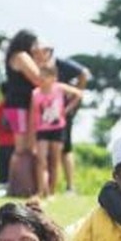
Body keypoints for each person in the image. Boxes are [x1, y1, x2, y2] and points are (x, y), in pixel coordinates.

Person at [38, 43, 90, 194]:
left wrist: (71, 105)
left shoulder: (61, 64)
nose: (36, 53)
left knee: (65, 149)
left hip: (61, 114)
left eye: (40, 50)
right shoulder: (37, 65)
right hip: (43, 117)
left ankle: (70, 186)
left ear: (49, 51)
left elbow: (84, 73)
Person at [30, 63, 82, 197]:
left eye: (45, 76)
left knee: (54, 161)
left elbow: (79, 94)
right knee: (41, 161)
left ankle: (51, 192)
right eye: (40, 75)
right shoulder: (35, 93)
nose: (42, 78)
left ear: (53, 78)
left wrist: (67, 109)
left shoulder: (59, 88)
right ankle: (42, 190)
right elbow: (33, 115)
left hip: (57, 129)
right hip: (42, 130)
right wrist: (32, 137)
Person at [3, 29, 41, 158]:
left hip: (18, 105)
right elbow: (38, 79)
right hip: (19, 106)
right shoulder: (21, 56)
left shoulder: (13, 56)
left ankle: (20, 177)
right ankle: (20, 177)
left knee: (24, 148)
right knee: (22, 148)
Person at [0, 86, 15, 193]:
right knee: (10, 167)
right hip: (13, 142)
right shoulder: (16, 108)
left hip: (3, 142)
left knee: (3, 166)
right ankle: (8, 186)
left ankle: (3, 185)